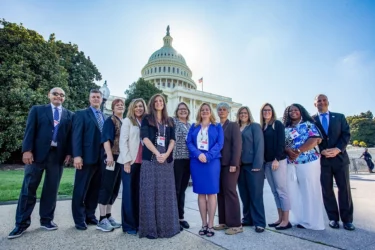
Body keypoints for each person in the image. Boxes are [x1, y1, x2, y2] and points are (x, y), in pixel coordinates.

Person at [8, 87, 73, 239]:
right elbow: (29, 130)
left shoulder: (69, 115)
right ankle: (21, 224)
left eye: (62, 95)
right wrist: (27, 150)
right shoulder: (37, 110)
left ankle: (46, 220)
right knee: (29, 188)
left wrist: (69, 153)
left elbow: (70, 136)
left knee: (51, 190)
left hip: (57, 156)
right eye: (55, 94)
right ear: (49, 95)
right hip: (36, 155)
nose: (59, 96)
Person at [138, 94, 180, 239]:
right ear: (152, 103)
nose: (158, 103)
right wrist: (157, 153)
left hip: (166, 161)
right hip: (151, 159)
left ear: (164, 103)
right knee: (150, 193)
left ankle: (168, 228)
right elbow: (144, 137)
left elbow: (173, 140)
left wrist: (166, 154)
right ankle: (151, 229)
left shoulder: (170, 121)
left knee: (166, 194)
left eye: (160, 101)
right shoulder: (147, 119)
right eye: (155, 101)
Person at [312, 94, 355, 231]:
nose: (322, 102)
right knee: (326, 189)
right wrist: (321, 150)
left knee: (344, 189)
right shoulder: (311, 120)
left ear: (328, 102)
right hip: (323, 160)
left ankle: (347, 220)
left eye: (324, 100)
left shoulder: (340, 117)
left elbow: (346, 134)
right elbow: (310, 137)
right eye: (319, 100)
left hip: (340, 159)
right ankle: (333, 218)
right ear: (315, 104)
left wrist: (338, 149)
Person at [283, 104, 325, 230]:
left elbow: (315, 139)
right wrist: (287, 150)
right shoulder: (285, 128)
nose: (293, 112)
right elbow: (281, 143)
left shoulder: (308, 124)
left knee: (309, 190)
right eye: (290, 110)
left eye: (296, 110)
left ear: (301, 111)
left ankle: (312, 222)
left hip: (308, 161)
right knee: (293, 192)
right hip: (290, 163)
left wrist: (298, 151)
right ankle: (297, 219)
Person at [187, 103, 224, 237]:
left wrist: (207, 156)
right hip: (197, 162)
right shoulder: (194, 126)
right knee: (201, 194)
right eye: (202, 110)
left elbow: (219, 144)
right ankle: (203, 224)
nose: (204, 111)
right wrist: (199, 154)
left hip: (212, 162)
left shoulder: (217, 126)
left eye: (207, 110)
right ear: (199, 112)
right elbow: (189, 143)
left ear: (210, 112)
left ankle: (211, 224)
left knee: (212, 193)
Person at [71, 89, 104, 230]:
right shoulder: (81, 114)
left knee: (94, 190)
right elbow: (76, 136)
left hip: (100, 159)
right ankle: (79, 219)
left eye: (98, 97)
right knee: (81, 189)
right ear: (89, 99)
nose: (96, 99)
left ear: (101, 100)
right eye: (93, 97)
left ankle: (90, 216)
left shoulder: (104, 116)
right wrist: (77, 156)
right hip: (85, 158)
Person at [118, 98, 147, 235]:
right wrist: (127, 161)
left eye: (141, 106)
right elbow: (123, 142)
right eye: (136, 106)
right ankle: (129, 225)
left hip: (143, 163)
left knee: (139, 194)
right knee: (129, 194)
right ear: (132, 108)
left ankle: (138, 222)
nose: (139, 108)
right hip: (130, 161)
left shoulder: (146, 122)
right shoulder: (127, 121)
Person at [260, 103, 291, 230]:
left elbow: (281, 143)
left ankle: (286, 220)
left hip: (277, 161)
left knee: (281, 190)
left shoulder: (277, 124)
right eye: (264, 110)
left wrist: (277, 159)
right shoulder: (263, 126)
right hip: (267, 163)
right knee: (274, 192)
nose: (267, 112)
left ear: (272, 111)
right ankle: (280, 218)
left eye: (269, 110)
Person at [213, 102, 242, 235]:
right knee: (221, 193)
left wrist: (234, 164)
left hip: (230, 164)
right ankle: (224, 221)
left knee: (230, 192)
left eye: (224, 109)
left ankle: (236, 224)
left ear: (228, 111)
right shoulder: (217, 126)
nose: (222, 111)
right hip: (218, 164)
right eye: (220, 109)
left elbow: (237, 146)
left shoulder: (233, 125)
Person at [96, 99, 125, 232]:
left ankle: (108, 215)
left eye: (122, 105)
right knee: (106, 186)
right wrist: (109, 156)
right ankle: (102, 218)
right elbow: (106, 139)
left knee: (114, 188)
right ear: (113, 108)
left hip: (120, 159)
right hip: (111, 158)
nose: (120, 106)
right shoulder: (110, 120)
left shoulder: (124, 122)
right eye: (117, 105)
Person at [237, 106, 266, 233]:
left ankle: (259, 222)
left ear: (249, 114)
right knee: (244, 194)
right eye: (241, 113)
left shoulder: (254, 126)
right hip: (240, 166)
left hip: (253, 165)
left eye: (245, 113)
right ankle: (247, 218)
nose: (243, 115)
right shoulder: (236, 128)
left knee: (256, 194)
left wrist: (257, 165)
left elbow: (260, 145)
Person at [173, 102, 192, 229]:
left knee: (183, 189)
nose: (183, 111)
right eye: (180, 109)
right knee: (176, 189)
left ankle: (181, 217)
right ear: (177, 111)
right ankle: (173, 218)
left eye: (185, 109)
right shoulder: (173, 123)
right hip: (177, 159)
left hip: (189, 159)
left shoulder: (191, 125)